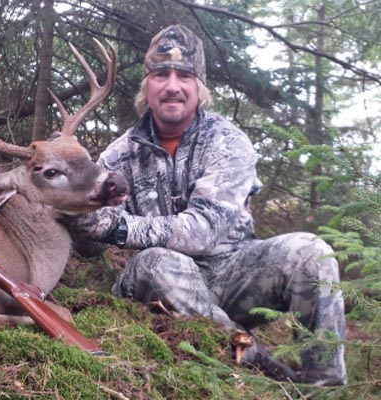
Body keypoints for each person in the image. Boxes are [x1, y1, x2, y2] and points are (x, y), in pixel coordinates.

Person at [68, 24, 347, 386]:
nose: (172, 86)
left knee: (312, 252)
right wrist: (78, 214)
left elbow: (202, 231)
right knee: (157, 262)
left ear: (198, 87)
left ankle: (324, 387)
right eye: (160, 75)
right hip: (161, 282)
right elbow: (90, 246)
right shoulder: (119, 155)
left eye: (184, 76)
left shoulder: (228, 142)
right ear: (146, 86)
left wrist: (118, 228)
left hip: (231, 272)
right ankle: (257, 358)